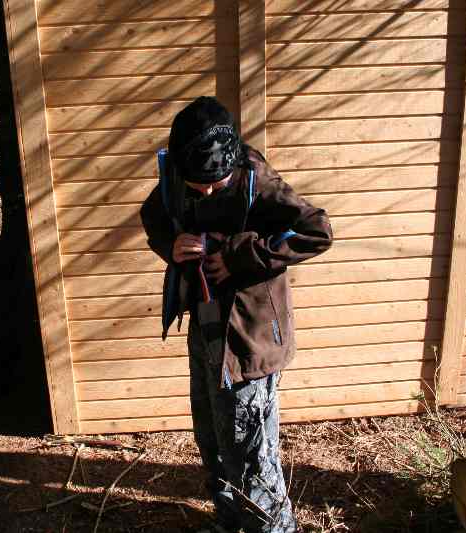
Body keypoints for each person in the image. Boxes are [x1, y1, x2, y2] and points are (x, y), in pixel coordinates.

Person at [140, 96, 333, 533]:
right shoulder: (178, 173)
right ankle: (229, 523)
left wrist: (239, 257)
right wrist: (171, 245)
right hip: (205, 328)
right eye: (197, 184)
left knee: (250, 456)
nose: (206, 191)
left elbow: (317, 231)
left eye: (215, 183)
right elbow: (153, 216)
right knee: (212, 441)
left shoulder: (257, 180)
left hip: (249, 338)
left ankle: (274, 529)